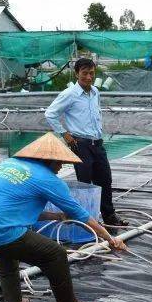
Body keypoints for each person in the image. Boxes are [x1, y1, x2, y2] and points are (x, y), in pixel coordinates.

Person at [0, 132, 126, 302]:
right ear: (48, 161)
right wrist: (110, 239)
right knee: (55, 254)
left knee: (6, 253)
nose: (61, 167)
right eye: (60, 163)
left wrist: (54, 217)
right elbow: (80, 214)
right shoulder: (47, 179)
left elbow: (12, 209)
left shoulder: (7, 165)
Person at [45, 58, 127, 226]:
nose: (88, 77)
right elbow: (50, 113)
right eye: (84, 73)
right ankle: (87, 220)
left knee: (105, 179)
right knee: (84, 182)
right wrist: (64, 134)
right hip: (80, 144)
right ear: (77, 74)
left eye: (91, 73)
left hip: (97, 143)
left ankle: (109, 215)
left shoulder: (95, 92)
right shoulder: (69, 94)